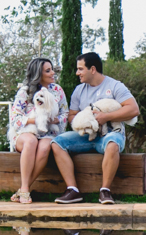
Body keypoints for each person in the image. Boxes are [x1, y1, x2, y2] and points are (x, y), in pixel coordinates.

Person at [50, 52, 141, 205]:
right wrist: (84, 121)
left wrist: (105, 117)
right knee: (57, 143)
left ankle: (105, 191)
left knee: (113, 143)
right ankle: (72, 190)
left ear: (92, 69)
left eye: (80, 69)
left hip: (110, 134)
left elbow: (133, 110)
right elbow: (71, 116)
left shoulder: (115, 86)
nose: (77, 73)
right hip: (86, 135)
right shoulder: (79, 90)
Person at [7, 58, 68, 204]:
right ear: (38, 74)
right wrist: (35, 120)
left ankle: (23, 188)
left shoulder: (58, 90)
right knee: (31, 141)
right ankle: (25, 190)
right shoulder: (25, 91)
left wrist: (54, 120)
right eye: (48, 71)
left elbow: (64, 113)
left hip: (48, 132)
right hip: (25, 132)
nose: (53, 73)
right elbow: (15, 118)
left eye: (52, 69)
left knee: (45, 147)